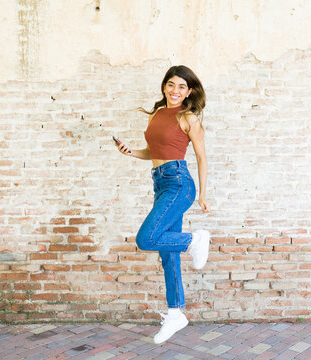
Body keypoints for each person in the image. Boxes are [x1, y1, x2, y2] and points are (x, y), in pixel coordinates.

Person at [114, 65, 210, 344]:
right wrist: (131, 152)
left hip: (179, 183)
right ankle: (175, 313)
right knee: (167, 253)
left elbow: (202, 158)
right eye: (171, 85)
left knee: (147, 238)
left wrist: (203, 195)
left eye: (182, 86)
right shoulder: (157, 114)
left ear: (189, 91)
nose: (175, 91)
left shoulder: (189, 118)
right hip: (160, 182)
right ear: (164, 86)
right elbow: (155, 152)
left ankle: (195, 240)